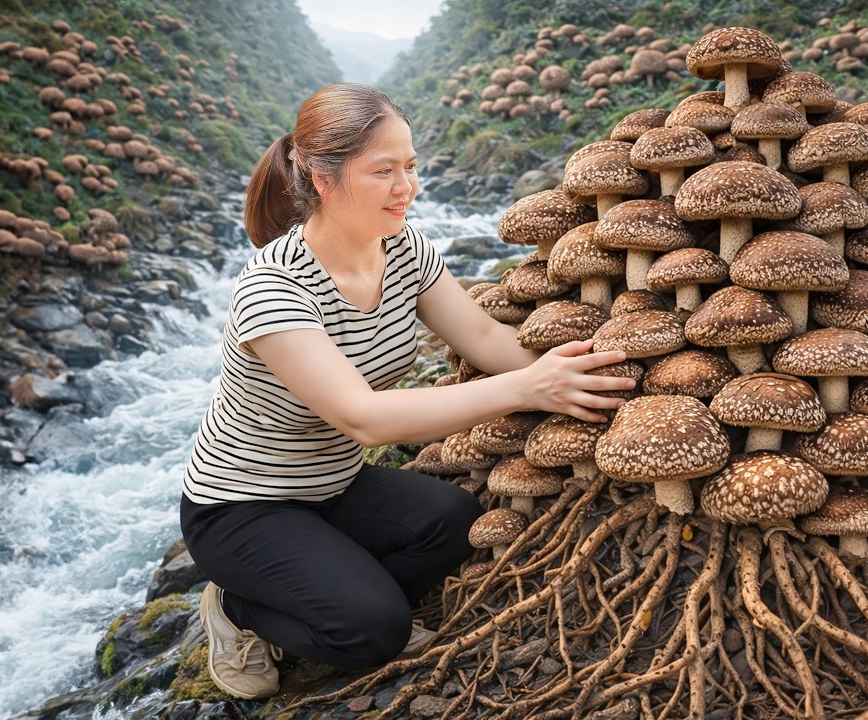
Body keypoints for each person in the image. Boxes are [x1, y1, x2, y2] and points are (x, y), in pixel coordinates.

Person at [179, 83, 633, 700]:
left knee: (456, 523)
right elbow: (365, 420)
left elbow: (481, 336)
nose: (407, 187)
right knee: (374, 631)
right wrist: (529, 388)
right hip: (242, 507)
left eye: (411, 167)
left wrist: (591, 367)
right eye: (383, 171)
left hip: (334, 486)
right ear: (321, 179)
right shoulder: (273, 290)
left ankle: (324, 582)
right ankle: (239, 608)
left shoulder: (404, 248)